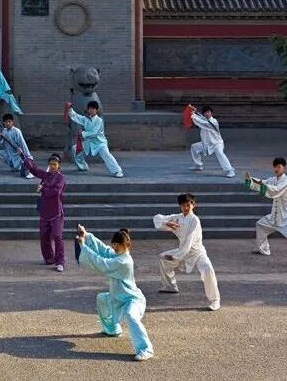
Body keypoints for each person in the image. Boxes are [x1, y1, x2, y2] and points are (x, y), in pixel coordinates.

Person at [76, 225, 154, 361]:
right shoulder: (117, 255)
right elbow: (104, 250)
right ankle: (112, 329)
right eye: (114, 245)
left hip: (132, 300)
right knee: (101, 299)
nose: (115, 247)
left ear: (127, 245)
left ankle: (145, 349)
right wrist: (87, 235)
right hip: (118, 298)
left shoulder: (124, 261)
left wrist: (84, 246)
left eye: (118, 245)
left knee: (130, 315)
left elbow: (102, 263)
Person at [153, 193, 221, 311]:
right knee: (163, 258)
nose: (185, 208)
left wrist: (175, 256)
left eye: (188, 205)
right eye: (183, 205)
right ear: (180, 206)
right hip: (182, 251)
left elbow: (189, 241)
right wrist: (166, 223)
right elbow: (157, 218)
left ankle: (215, 300)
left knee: (207, 268)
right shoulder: (178, 217)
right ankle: (170, 286)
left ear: (193, 205)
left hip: (197, 252)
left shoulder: (195, 220)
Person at [246, 158, 287, 271]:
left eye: (279, 167)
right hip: (274, 217)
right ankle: (263, 248)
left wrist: (260, 184)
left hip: (286, 218)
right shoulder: (273, 179)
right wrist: (251, 179)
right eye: (275, 167)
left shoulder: (286, 181)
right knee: (260, 225)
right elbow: (263, 182)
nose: (277, 169)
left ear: (284, 168)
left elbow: (275, 190)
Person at [25, 154, 66, 271]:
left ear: (59, 166)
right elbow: (34, 170)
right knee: (44, 237)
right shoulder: (46, 175)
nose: (52, 166)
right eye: (51, 164)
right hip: (44, 212)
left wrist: (43, 188)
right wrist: (24, 157)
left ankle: (60, 262)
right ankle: (49, 258)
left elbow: (56, 191)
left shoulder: (61, 178)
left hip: (56, 213)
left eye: (55, 164)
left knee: (57, 236)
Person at [67, 101, 124, 177]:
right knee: (75, 149)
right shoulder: (85, 119)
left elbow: (95, 132)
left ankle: (118, 171)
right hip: (88, 142)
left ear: (96, 110)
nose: (91, 110)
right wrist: (70, 109)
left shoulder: (99, 120)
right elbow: (76, 117)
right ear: (88, 109)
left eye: (93, 109)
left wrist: (83, 133)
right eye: (90, 109)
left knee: (106, 155)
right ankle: (83, 166)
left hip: (99, 142)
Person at [188, 105, 235, 178]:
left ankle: (230, 170)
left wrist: (193, 115)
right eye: (205, 112)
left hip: (217, 144)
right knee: (194, 147)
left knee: (220, 153)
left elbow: (202, 123)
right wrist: (194, 112)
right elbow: (200, 117)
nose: (207, 114)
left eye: (209, 112)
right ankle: (198, 165)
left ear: (211, 113)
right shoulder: (204, 119)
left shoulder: (214, 122)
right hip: (207, 143)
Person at [0, 113, 34, 179]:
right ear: (3, 123)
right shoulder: (4, 131)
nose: (7, 123)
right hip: (9, 152)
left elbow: (23, 143)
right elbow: (0, 143)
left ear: (12, 122)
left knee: (26, 159)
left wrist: (28, 155)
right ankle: (16, 167)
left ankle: (31, 170)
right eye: (6, 122)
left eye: (9, 122)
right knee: (1, 153)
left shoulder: (16, 131)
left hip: (17, 153)